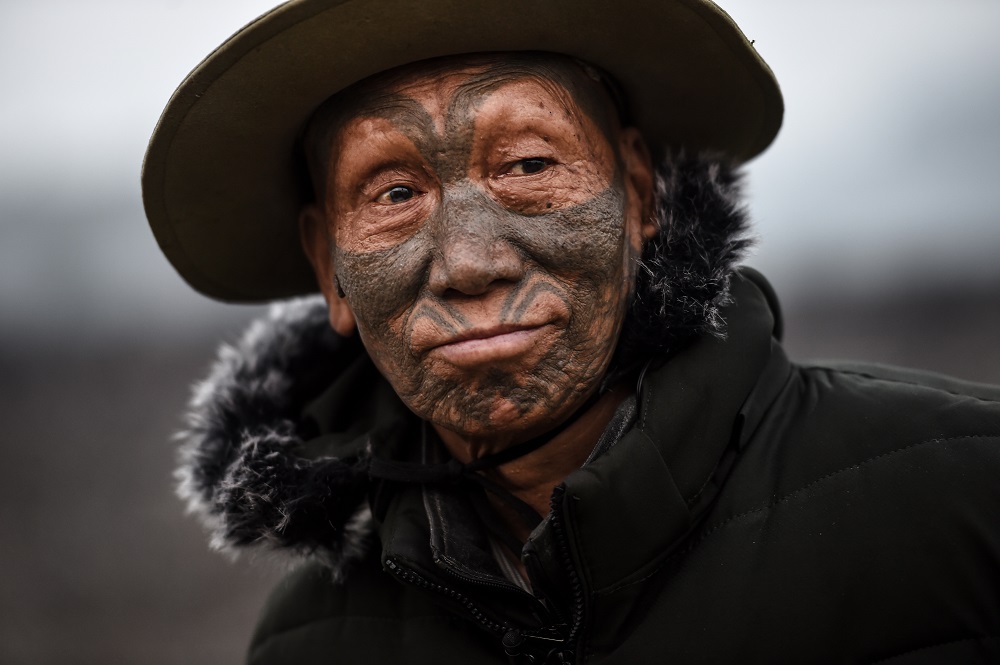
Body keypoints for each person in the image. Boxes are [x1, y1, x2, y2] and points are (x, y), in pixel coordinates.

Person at [142, 1, 1000, 662]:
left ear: (636, 194)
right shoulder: (314, 642)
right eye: (394, 193)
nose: (469, 263)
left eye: (527, 164)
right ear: (329, 265)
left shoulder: (963, 498)